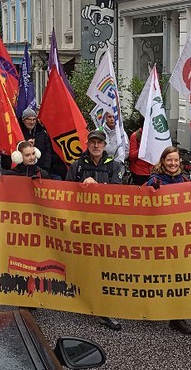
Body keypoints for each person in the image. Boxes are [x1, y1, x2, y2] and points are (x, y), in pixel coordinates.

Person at [66, 129, 124, 331]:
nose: (96, 146)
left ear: (105, 145)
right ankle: (82, 300)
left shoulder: (114, 166)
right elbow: (66, 192)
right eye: (93, 142)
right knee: (84, 264)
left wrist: (96, 186)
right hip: (83, 224)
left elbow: (118, 194)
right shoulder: (77, 166)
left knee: (104, 266)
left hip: (105, 226)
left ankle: (104, 308)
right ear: (87, 144)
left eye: (99, 142)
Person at [144, 146, 191, 335]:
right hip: (160, 237)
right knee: (158, 275)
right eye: (169, 160)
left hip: (180, 237)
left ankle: (176, 317)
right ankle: (151, 308)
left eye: (176, 160)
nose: (173, 163)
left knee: (178, 277)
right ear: (163, 161)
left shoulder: (185, 180)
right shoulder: (154, 181)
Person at [128, 118, 153, 185]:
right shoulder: (135, 136)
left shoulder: (155, 136)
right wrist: (142, 148)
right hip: (139, 172)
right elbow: (131, 156)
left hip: (153, 171)